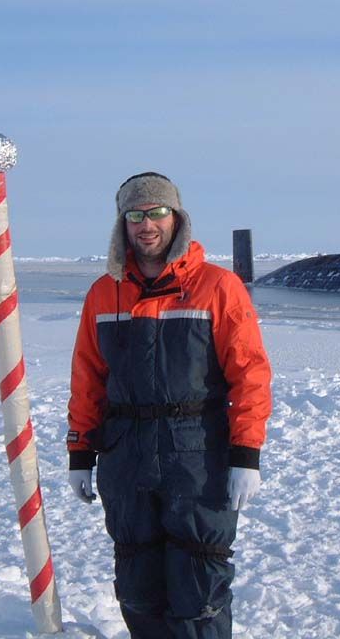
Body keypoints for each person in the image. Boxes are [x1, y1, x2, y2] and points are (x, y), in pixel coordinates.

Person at [67, 171, 273, 639]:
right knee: (138, 587)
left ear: (176, 218)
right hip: (126, 456)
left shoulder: (219, 287)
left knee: (198, 589)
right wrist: (80, 451)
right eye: (135, 215)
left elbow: (251, 375)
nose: (147, 224)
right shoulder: (104, 292)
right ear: (123, 225)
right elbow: (87, 380)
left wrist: (246, 455)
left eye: (157, 212)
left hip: (198, 455)